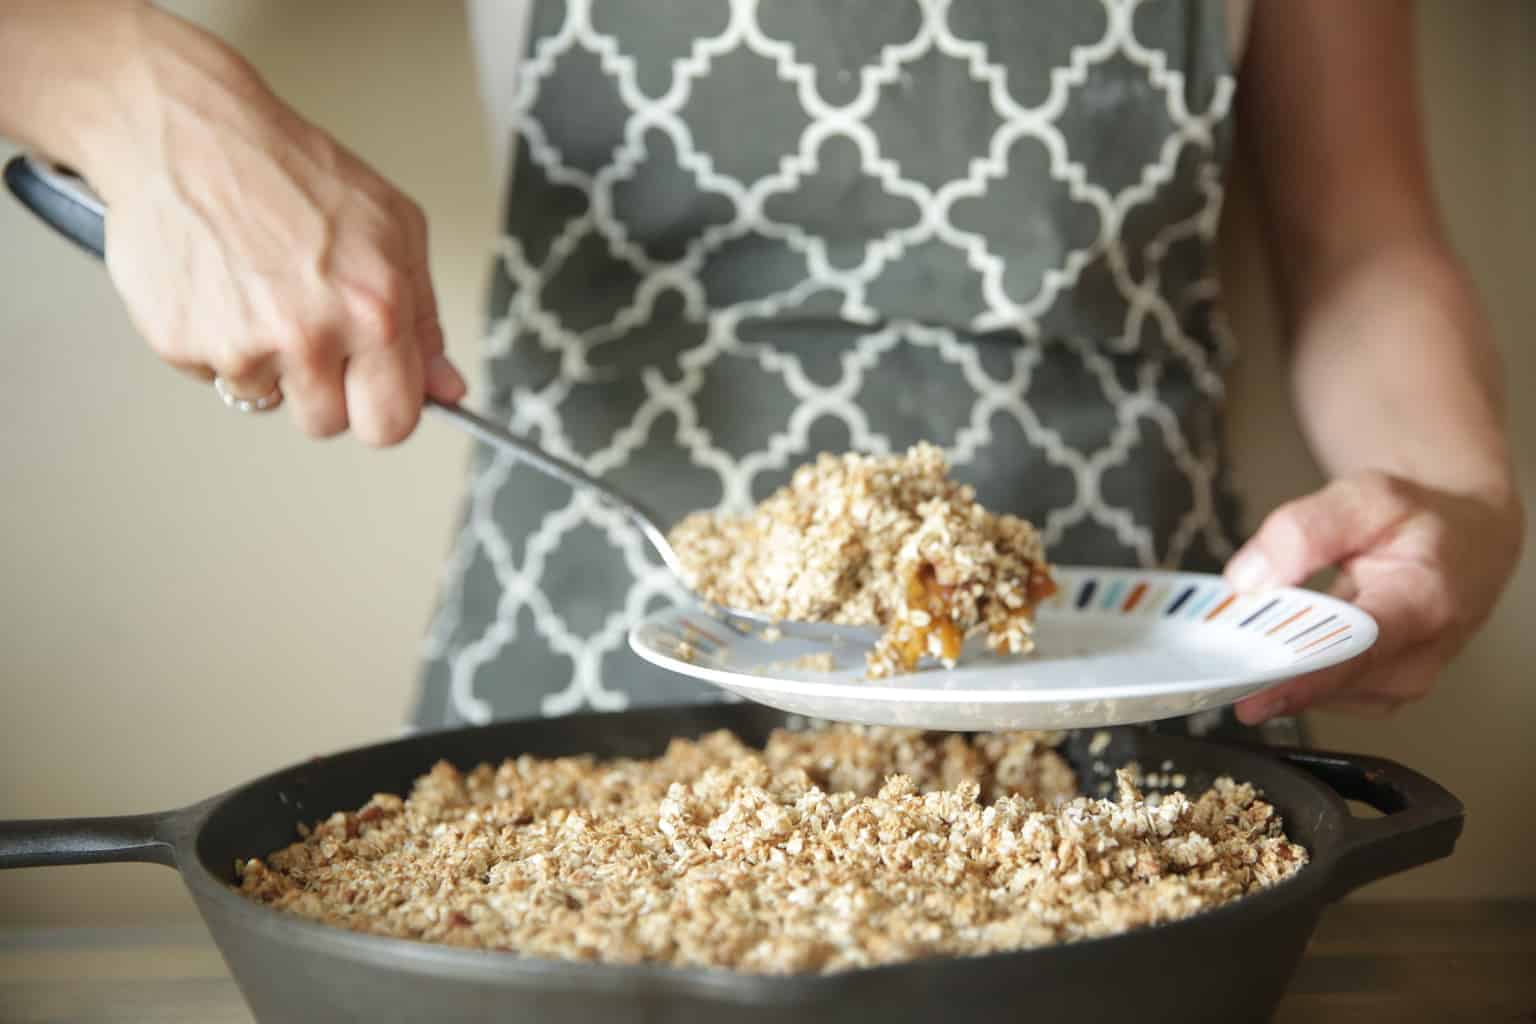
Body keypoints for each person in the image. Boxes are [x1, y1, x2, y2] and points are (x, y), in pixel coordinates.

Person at [0, 0, 1522, 739]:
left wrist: (1459, 496)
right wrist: (137, 88)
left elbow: (1356, 234)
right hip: (586, 674)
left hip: (1131, 693)